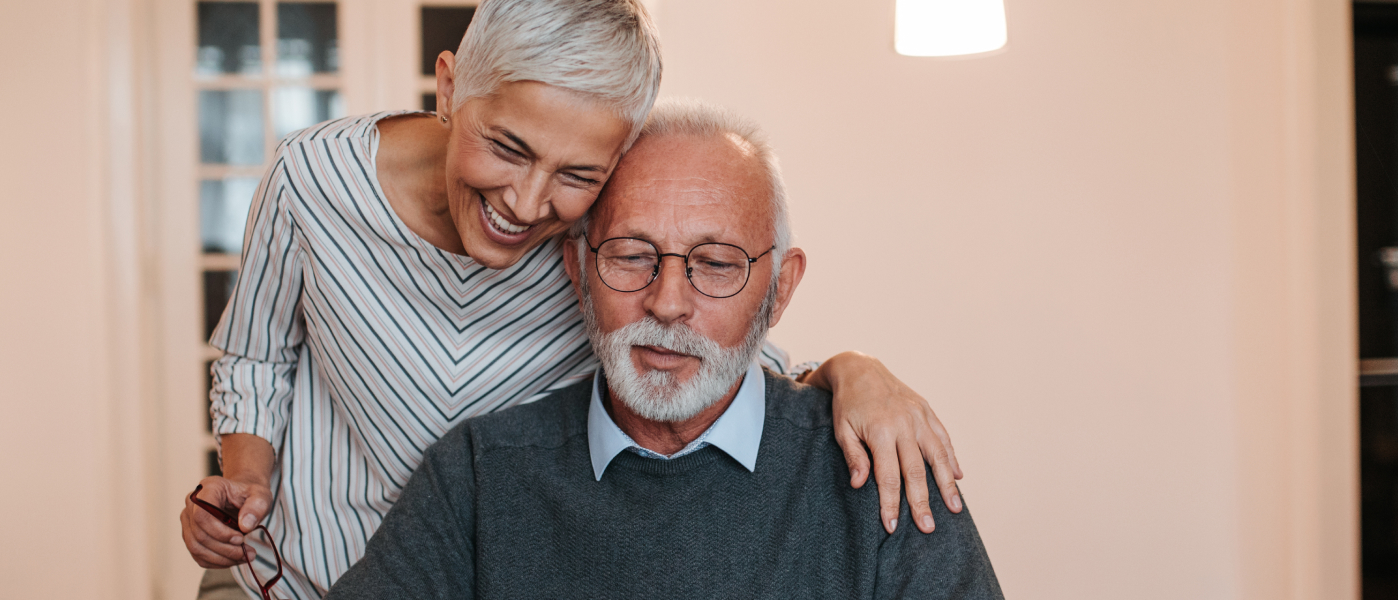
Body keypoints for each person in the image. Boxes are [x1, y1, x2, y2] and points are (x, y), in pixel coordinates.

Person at [180, 2, 967, 598]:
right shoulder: (315, 178)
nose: (525, 202)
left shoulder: (601, 235)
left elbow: (711, 345)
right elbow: (255, 352)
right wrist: (244, 485)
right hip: (296, 565)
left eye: (577, 173)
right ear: (449, 88)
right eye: (507, 147)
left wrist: (854, 372)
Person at [326, 100, 1002, 600]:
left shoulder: (882, 470)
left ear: (780, 288)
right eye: (631, 255)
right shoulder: (478, 477)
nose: (668, 302)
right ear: (577, 269)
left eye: (715, 264)